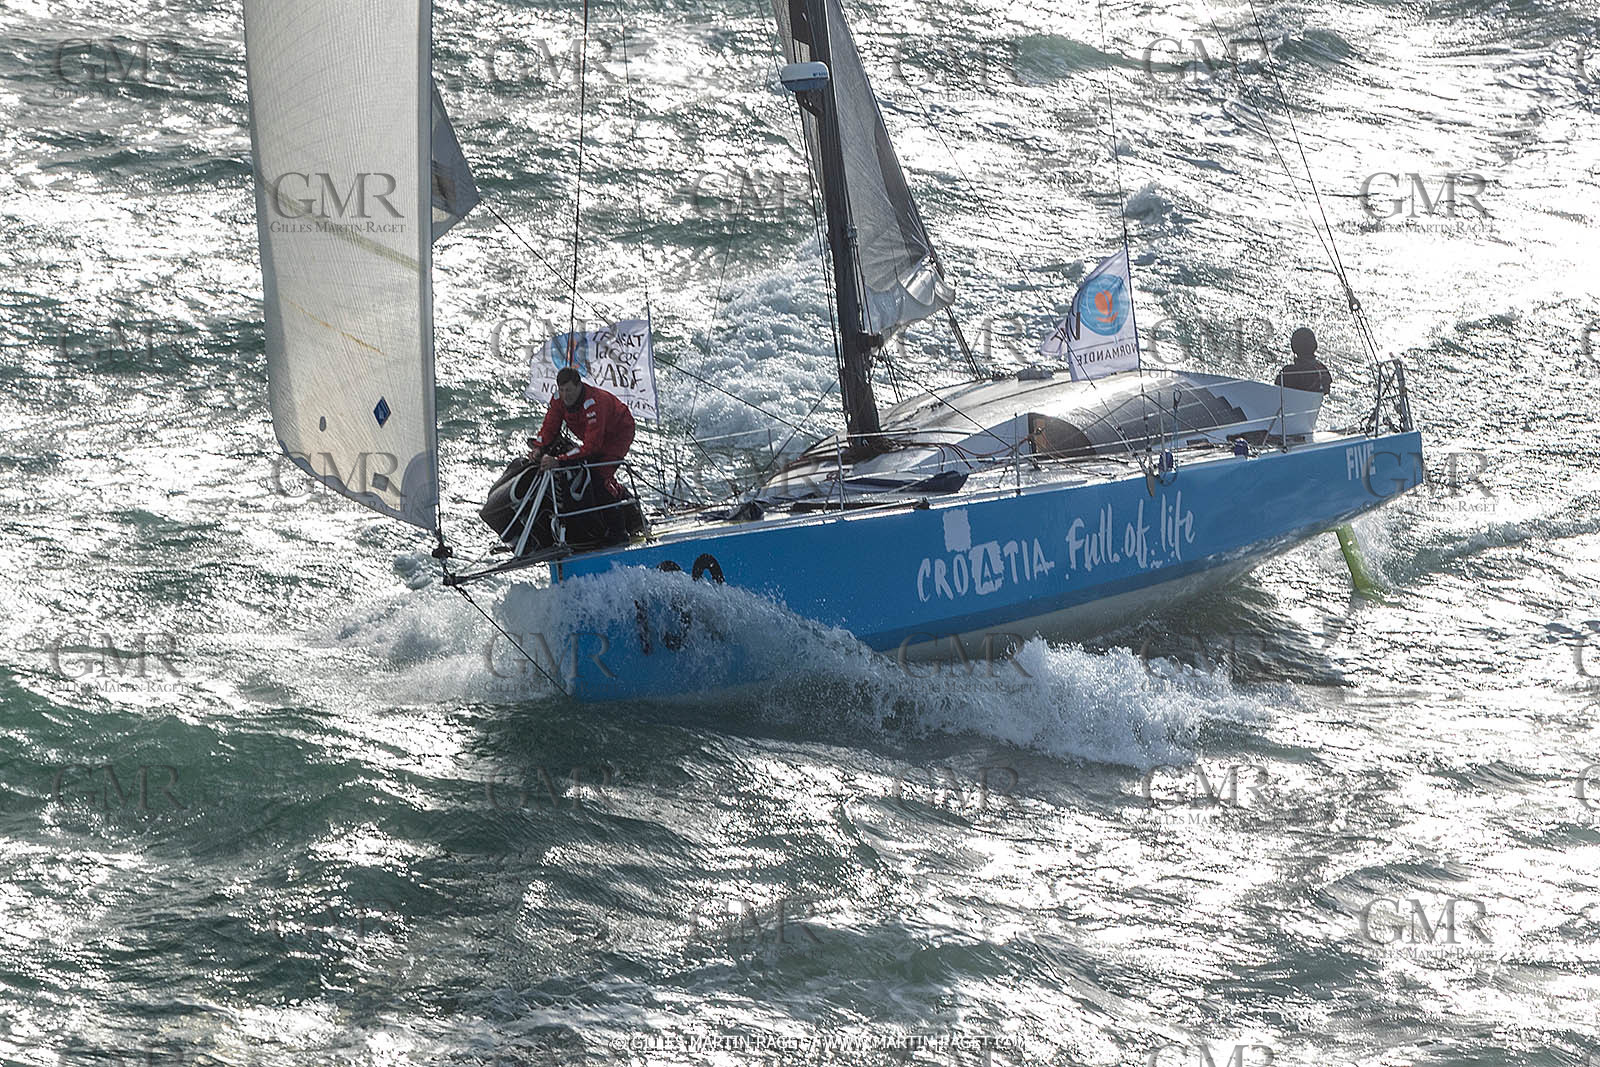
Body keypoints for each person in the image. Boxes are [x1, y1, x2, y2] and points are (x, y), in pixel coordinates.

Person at [529, 366, 637, 545]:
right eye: (562, 390)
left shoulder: (593, 403)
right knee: (582, 470)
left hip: (618, 434)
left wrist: (559, 461)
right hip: (594, 435)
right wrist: (539, 448)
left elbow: (591, 447)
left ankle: (619, 532)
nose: (566, 395)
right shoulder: (558, 400)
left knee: (599, 475)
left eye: (569, 390)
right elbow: (550, 425)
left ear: (579, 386)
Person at [1276, 327, 1332, 394]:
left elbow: (1277, 393)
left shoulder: (1288, 372)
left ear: (1293, 347)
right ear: (1315, 345)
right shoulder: (1323, 370)